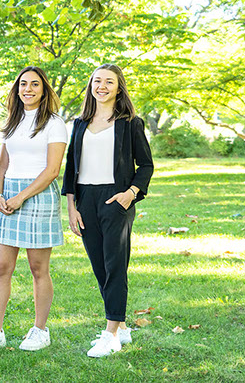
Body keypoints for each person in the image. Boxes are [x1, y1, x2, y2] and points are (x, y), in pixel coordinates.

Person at [61, 64, 153, 357]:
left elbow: (146, 165)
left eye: (109, 82)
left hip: (117, 199)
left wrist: (130, 194)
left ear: (118, 87)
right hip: (85, 199)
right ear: (91, 86)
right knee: (100, 267)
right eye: (97, 81)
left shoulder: (130, 123)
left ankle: (111, 332)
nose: (102, 86)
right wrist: (72, 206)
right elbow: (71, 168)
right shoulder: (79, 123)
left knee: (115, 266)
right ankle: (122, 326)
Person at [0, 66, 67, 352]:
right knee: (2, 267)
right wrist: (0, 194)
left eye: (34, 84)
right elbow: (3, 164)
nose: (28, 89)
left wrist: (21, 197)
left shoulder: (54, 123)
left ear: (44, 90)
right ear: (17, 89)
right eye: (23, 84)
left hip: (37, 196)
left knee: (38, 268)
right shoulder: (12, 122)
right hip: (9, 197)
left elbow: (52, 170)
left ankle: (40, 330)